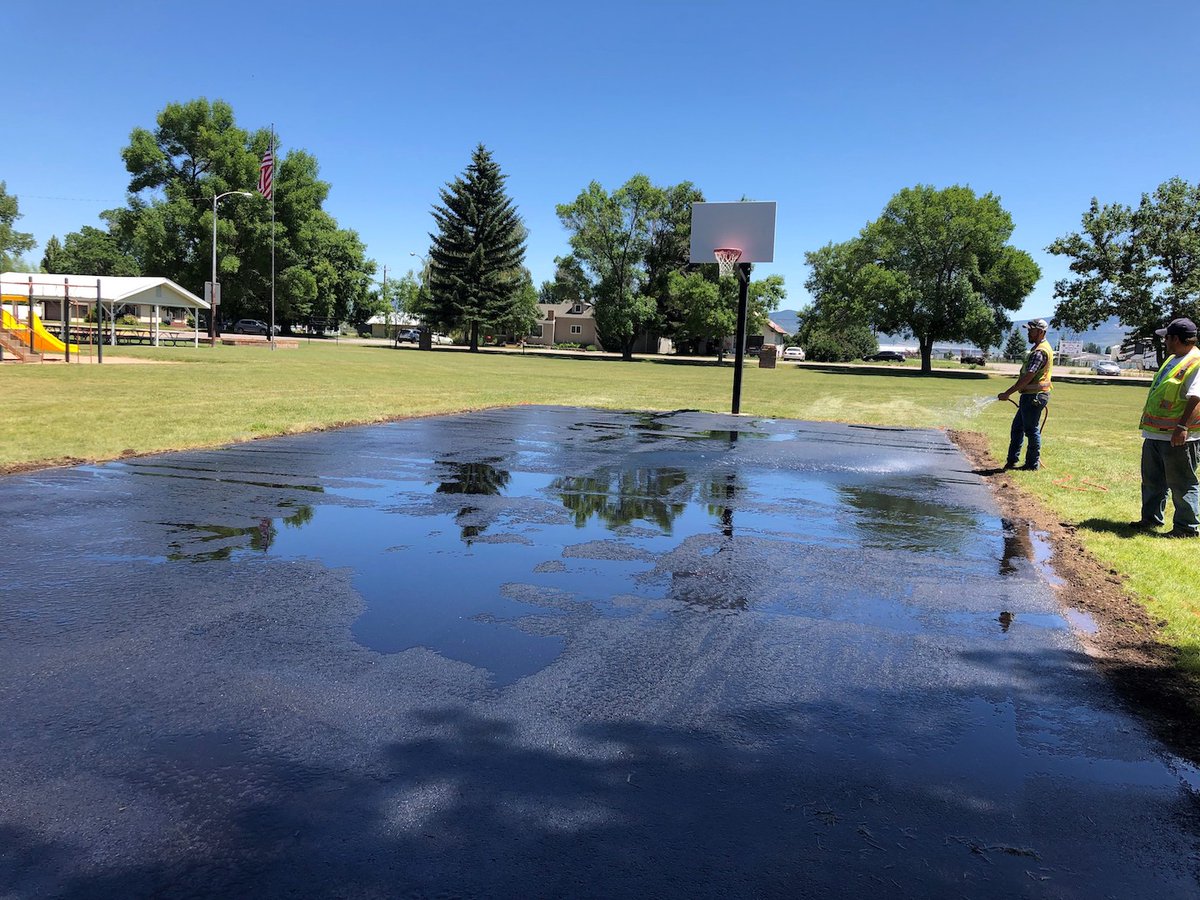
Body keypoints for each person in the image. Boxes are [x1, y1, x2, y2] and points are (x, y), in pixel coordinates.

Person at [1132, 317, 1200, 538]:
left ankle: (1186, 528)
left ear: (1176, 339)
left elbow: (1196, 398)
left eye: (1167, 338)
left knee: (1182, 483)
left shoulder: (1195, 362)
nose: (1164, 342)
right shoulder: (1173, 359)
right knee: (1152, 481)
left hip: (1178, 437)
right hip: (1155, 434)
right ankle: (1150, 519)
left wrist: (1182, 426)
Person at [998, 318, 1054, 470]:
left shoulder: (1039, 352)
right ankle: (1012, 460)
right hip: (1030, 395)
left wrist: (1008, 393)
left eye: (1031, 330)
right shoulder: (1040, 348)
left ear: (1040, 332)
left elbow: (1028, 376)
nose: (1028, 333)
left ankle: (1031, 465)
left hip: (1033, 396)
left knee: (1031, 430)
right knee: (1018, 428)